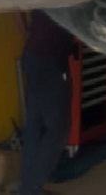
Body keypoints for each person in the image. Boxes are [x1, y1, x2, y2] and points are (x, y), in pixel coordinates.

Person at [18, 11, 76, 195]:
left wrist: (28, 32)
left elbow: (16, 8)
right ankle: (32, 188)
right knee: (58, 128)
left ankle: (27, 188)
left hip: (34, 56)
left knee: (35, 126)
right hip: (51, 62)